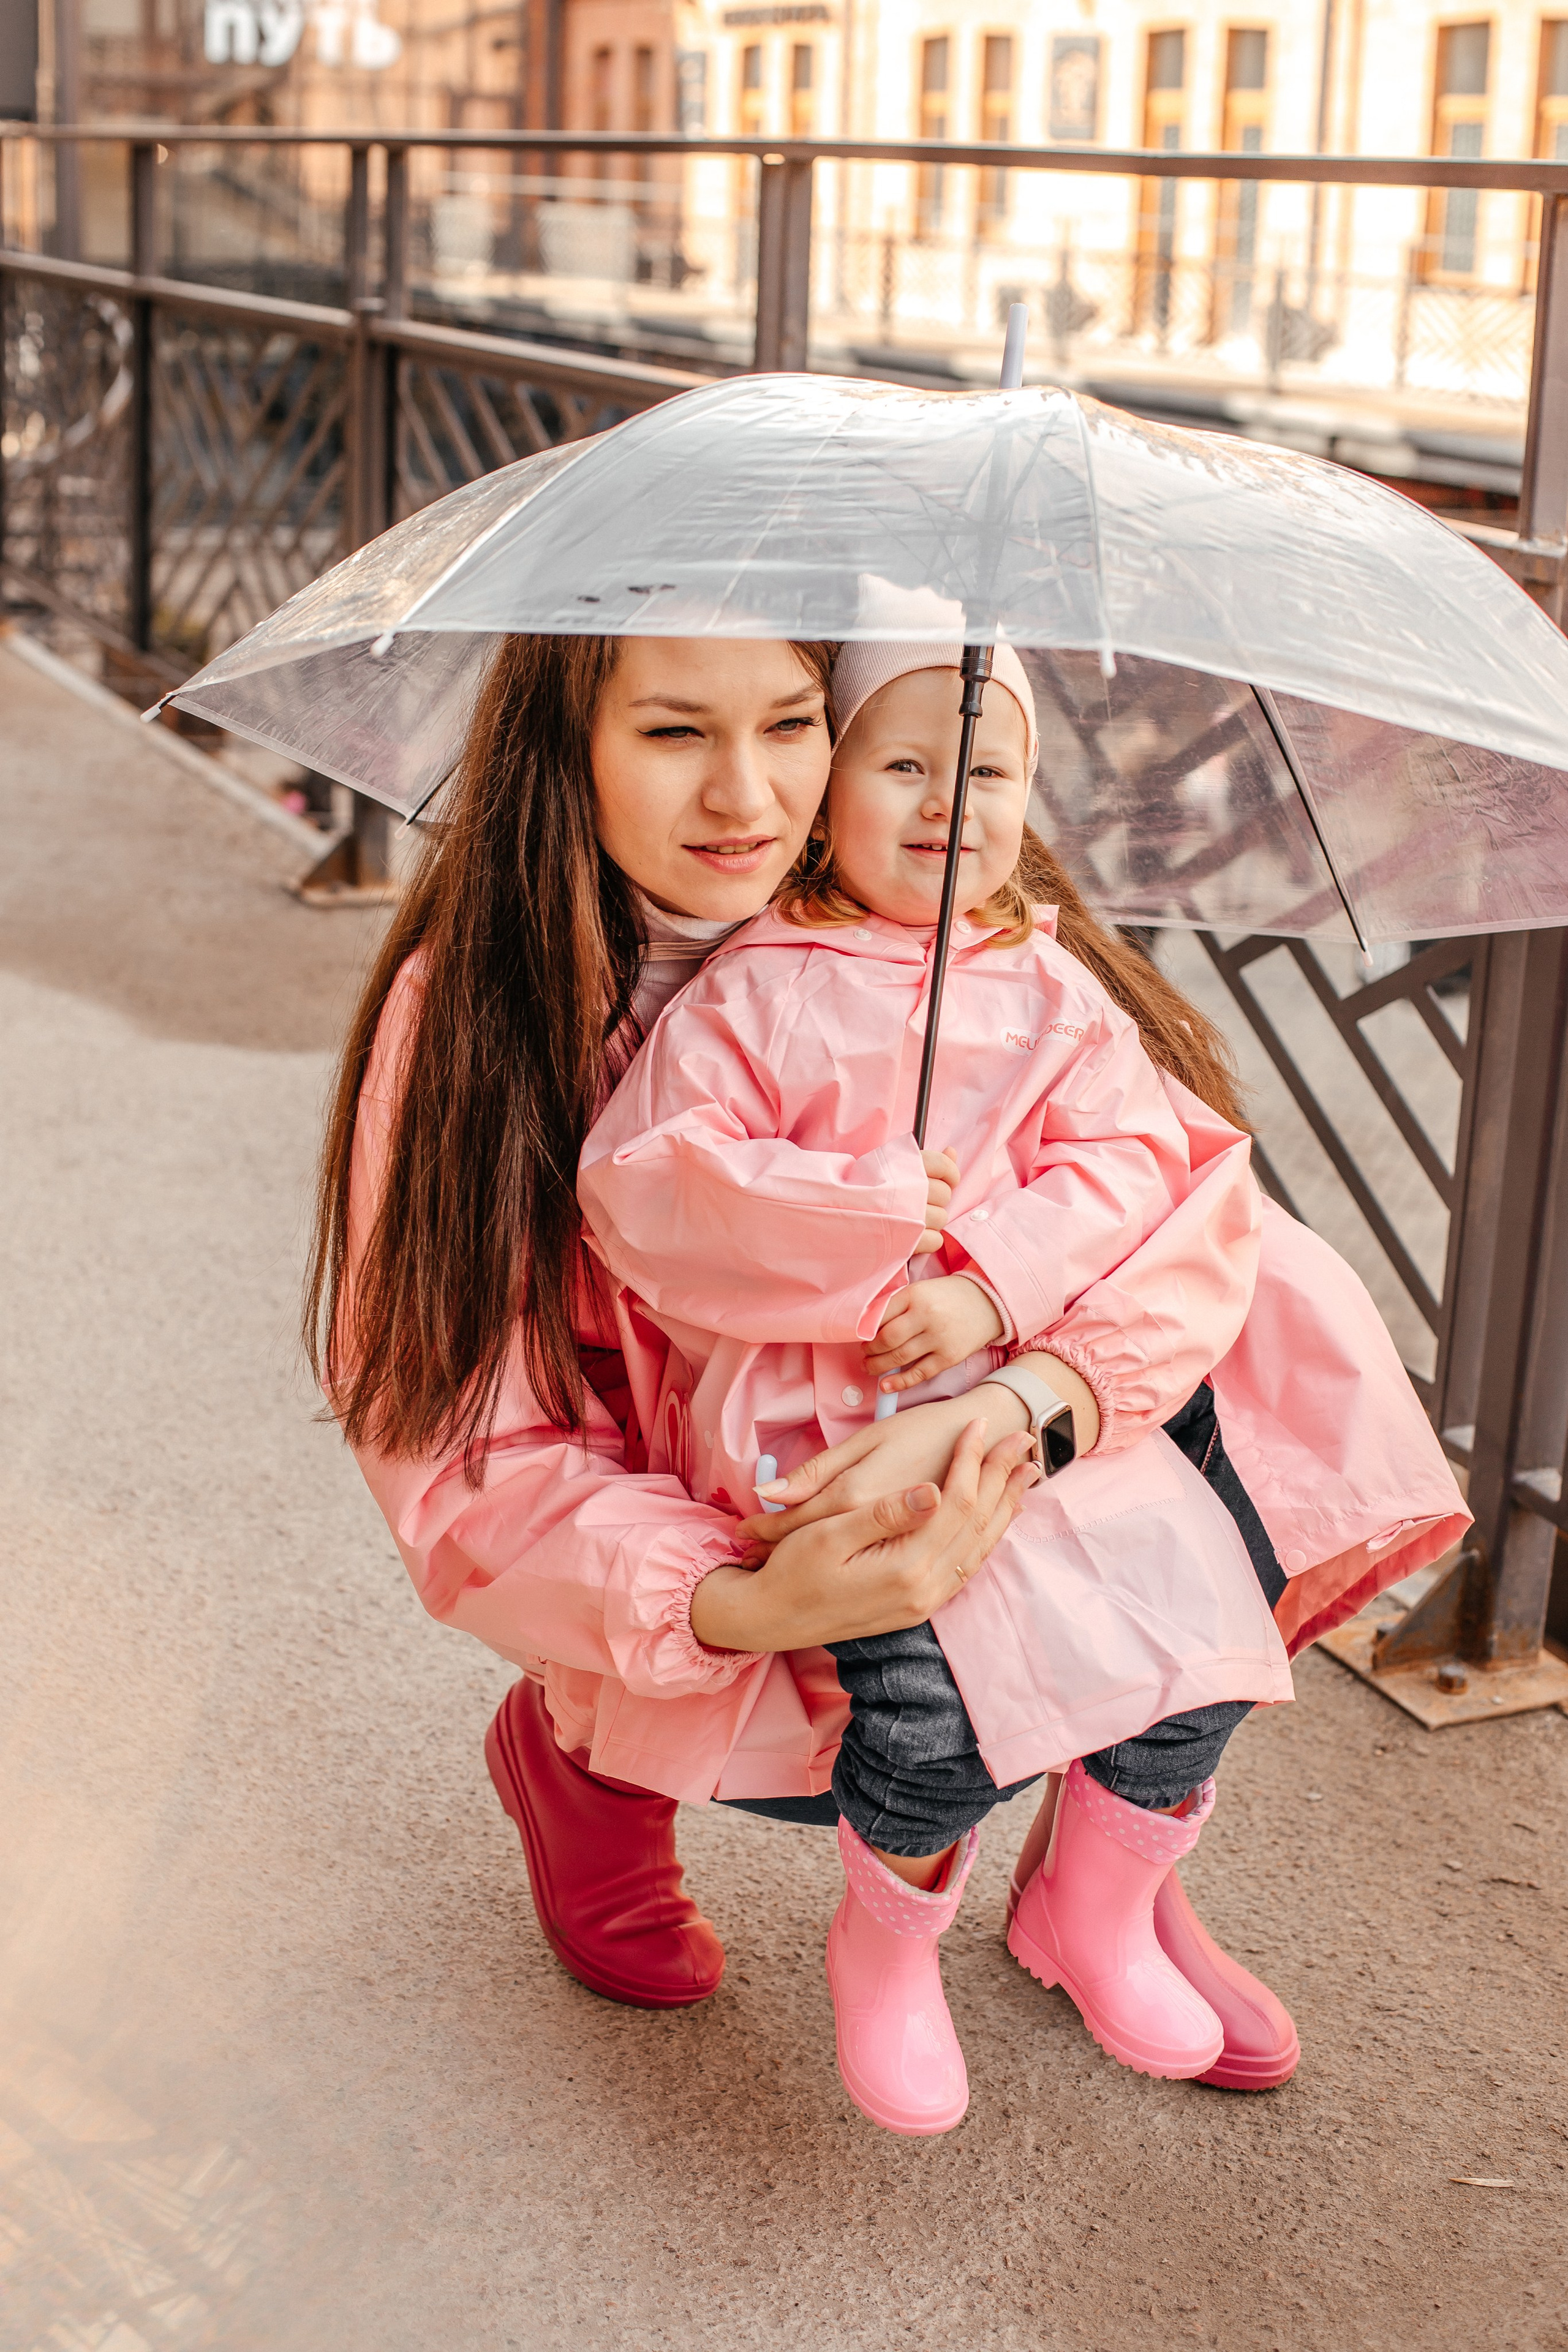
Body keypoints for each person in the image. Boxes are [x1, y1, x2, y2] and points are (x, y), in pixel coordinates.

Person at [306, 630, 1466, 2130]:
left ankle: (1104, 1869)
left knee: (1205, 1524)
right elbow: (468, 1442)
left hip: (992, 1399)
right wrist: (728, 1604)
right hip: (724, 1477)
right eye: (672, 734)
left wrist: (1032, 1398)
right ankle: (580, 1758)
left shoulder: (962, 925)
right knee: (891, 1724)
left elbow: (1179, 1198)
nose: (745, 795)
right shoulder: (483, 1013)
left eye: (793, 722)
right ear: (565, 747)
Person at [578, 636, 1296, 2132]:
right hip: (829, 1415)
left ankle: (1093, 1908)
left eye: (986, 771)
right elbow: (651, 1188)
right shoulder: (753, 989)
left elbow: (1129, 1160)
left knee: (1199, 1640)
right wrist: (862, 1213)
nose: (944, 808)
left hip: (1028, 1390)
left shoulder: (1049, 986)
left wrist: (989, 1272)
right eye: (900, 764)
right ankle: (890, 1937)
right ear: (827, 784)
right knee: (920, 1710)